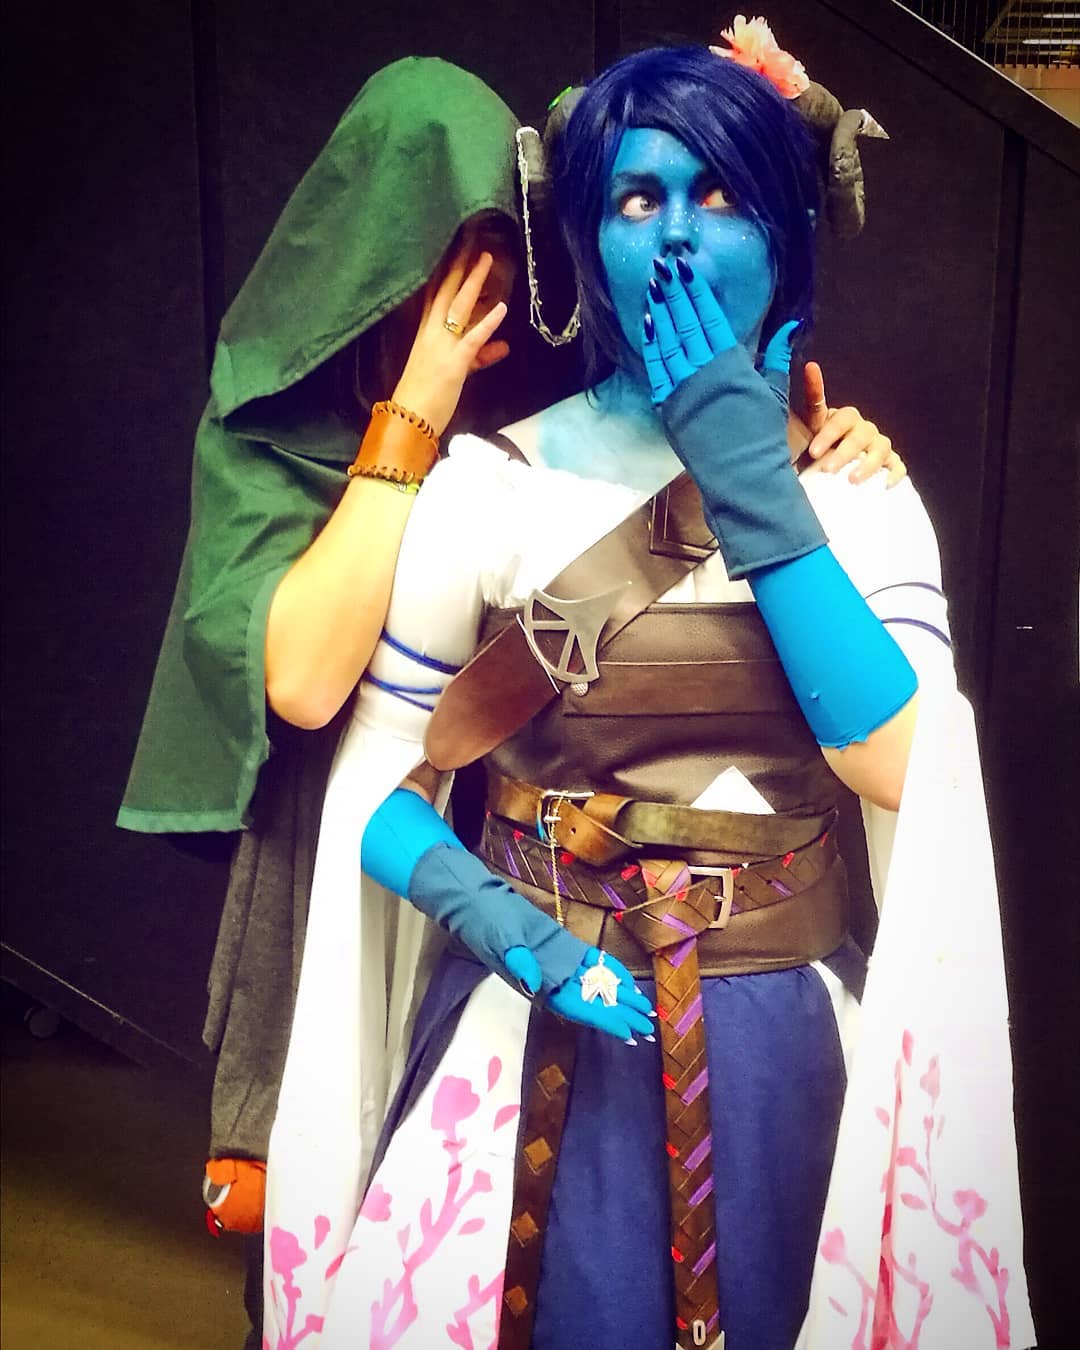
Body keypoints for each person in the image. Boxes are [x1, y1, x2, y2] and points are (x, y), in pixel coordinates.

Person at [262, 31, 1034, 1350]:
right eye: (636, 198)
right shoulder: (492, 489)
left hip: (781, 1049)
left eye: (721, 193)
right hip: (529, 1039)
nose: (677, 233)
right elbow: (380, 791)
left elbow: (904, 766)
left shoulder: (859, 499)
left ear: (790, 231)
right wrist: (509, 930)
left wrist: (753, 483)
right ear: (586, 240)